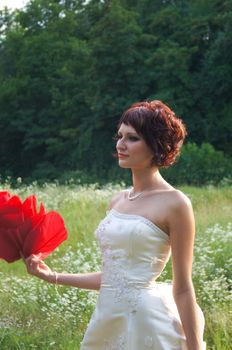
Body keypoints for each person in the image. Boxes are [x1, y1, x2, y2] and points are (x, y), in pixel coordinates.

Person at [23, 100, 206, 350]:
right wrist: (51, 276)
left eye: (132, 138)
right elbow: (114, 278)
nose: (121, 144)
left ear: (156, 146)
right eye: (120, 136)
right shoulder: (117, 201)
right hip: (107, 319)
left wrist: (195, 348)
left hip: (146, 323)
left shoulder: (176, 203)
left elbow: (183, 288)